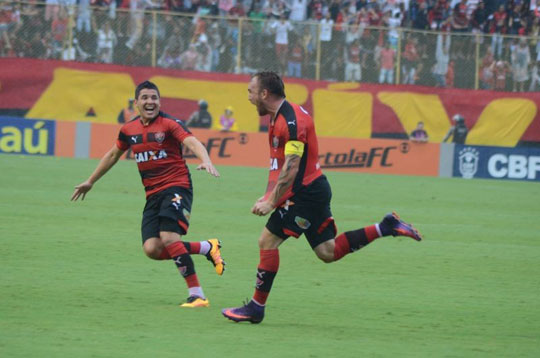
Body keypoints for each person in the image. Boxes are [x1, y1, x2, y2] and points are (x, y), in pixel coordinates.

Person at [221, 71, 422, 324]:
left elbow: (292, 166)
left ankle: (256, 308)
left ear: (264, 94)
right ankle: (385, 227)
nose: (248, 97)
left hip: (305, 194)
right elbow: (280, 163)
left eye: (251, 92)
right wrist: (269, 195)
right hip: (309, 190)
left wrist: (272, 202)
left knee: (267, 241)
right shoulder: (278, 117)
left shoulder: (291, 122)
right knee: (328, 251)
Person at [71, 81, 225, 308]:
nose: (150, 102)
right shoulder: (128, 130)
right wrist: (90, 181)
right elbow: (113, 155)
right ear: (136, 103)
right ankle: (206, 247)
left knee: (170, 238)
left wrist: (206, 160)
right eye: (145, 98)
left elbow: (192, 141)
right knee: (152, 249)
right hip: (152, 194)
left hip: (176, 187)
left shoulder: (170, 124)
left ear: (159, 102)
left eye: (154, 98)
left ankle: (197, 295)